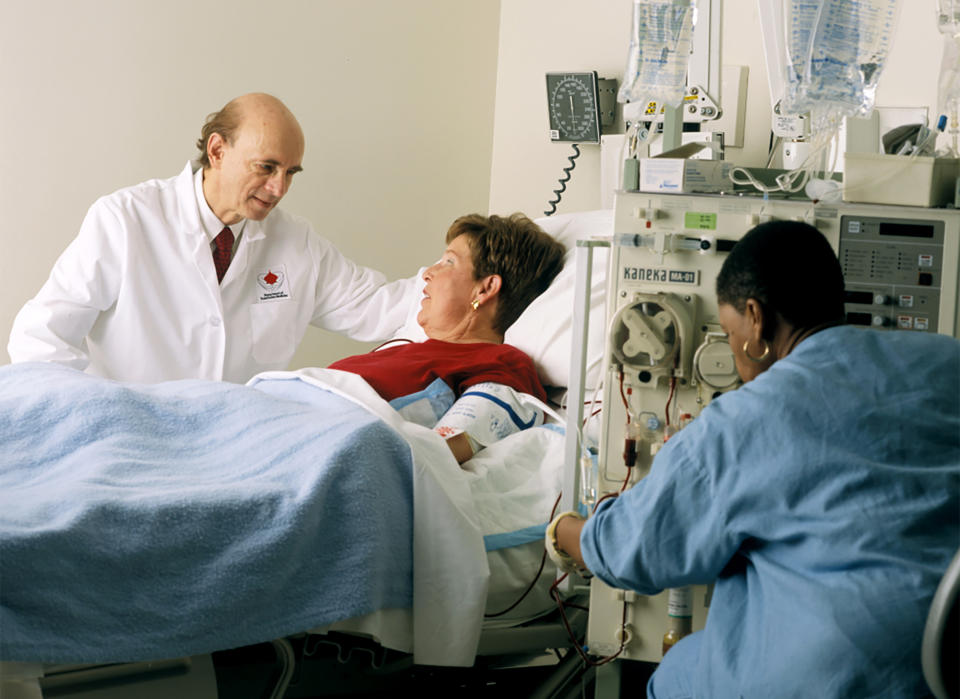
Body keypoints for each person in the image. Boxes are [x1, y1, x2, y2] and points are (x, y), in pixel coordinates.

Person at [547, 221, 960, 697]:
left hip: (839, 675)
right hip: (941, 668)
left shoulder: (746, 420)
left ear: (755, 318)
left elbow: (634, 552)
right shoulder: (946, 362)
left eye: (727, 331)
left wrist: (566, 532)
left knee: (676, 672)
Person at [7, 93, 414, 383]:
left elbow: (383, 307)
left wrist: (469, 278)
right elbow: (40, 338)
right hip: (126, 443)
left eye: (291, 172)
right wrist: (97, 422)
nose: (279, 188)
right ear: (218, 151)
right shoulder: (125, 220)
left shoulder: (296, 243)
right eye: (267, 167)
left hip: (231, 452)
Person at [329, 212, 566, 463]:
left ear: (485, 288)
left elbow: (437, 457)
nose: (428, 273)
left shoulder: (501, 364)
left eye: (448, 262)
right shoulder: (402, 350)